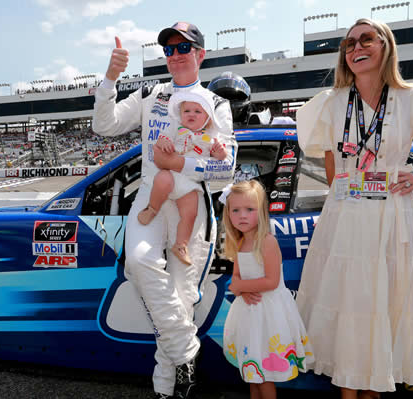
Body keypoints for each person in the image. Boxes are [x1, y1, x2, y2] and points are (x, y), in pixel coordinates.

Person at [295, 18, 413, 398]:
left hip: (390, 217)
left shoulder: (411, 99)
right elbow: (330, 157)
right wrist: (345, 189)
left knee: (381, 305)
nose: (356, 47)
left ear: (385, 46)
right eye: (348, 44)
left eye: (366, 39)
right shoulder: (331, 103)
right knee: (347, 306)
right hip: (345, 219)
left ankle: (374, 389)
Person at [92, 21, 237, 399]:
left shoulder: (217, 103)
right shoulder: (149, 93)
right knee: (138, 264)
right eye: (168, 50)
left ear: (200, 55)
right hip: (151, 201)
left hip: (192, 207)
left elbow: (226, 170)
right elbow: (103, 124)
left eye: (182, 49)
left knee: (178, 296)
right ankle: (187, 351)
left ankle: (166, 388)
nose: (174, 56)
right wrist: (110, 78)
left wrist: (179, 167)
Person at [220, 180, 314, 399]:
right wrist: (239, 289)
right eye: (236, 210)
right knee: (253, 373)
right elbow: (236, 277)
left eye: (249, 210)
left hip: (269, 315)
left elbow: (271, 281)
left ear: (260, 212)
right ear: (228, 214)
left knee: (264, 375)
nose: (242, 215)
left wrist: (240, 286)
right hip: (250, 315)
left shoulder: (267, 241)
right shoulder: (241, 242)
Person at [137, 90, 228, 265]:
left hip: (188, 182)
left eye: (197, 111)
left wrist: (220, 153)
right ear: (180, 114)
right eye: (187, 111)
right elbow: (161, 141)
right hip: (171, 174)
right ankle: (152, 209)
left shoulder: (210, 138)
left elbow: (220, 158)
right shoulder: (175, 128)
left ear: (207, 118)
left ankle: (181, 244)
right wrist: (163, 143)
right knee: (161, 180)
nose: (191, 115)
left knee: (190, 213)